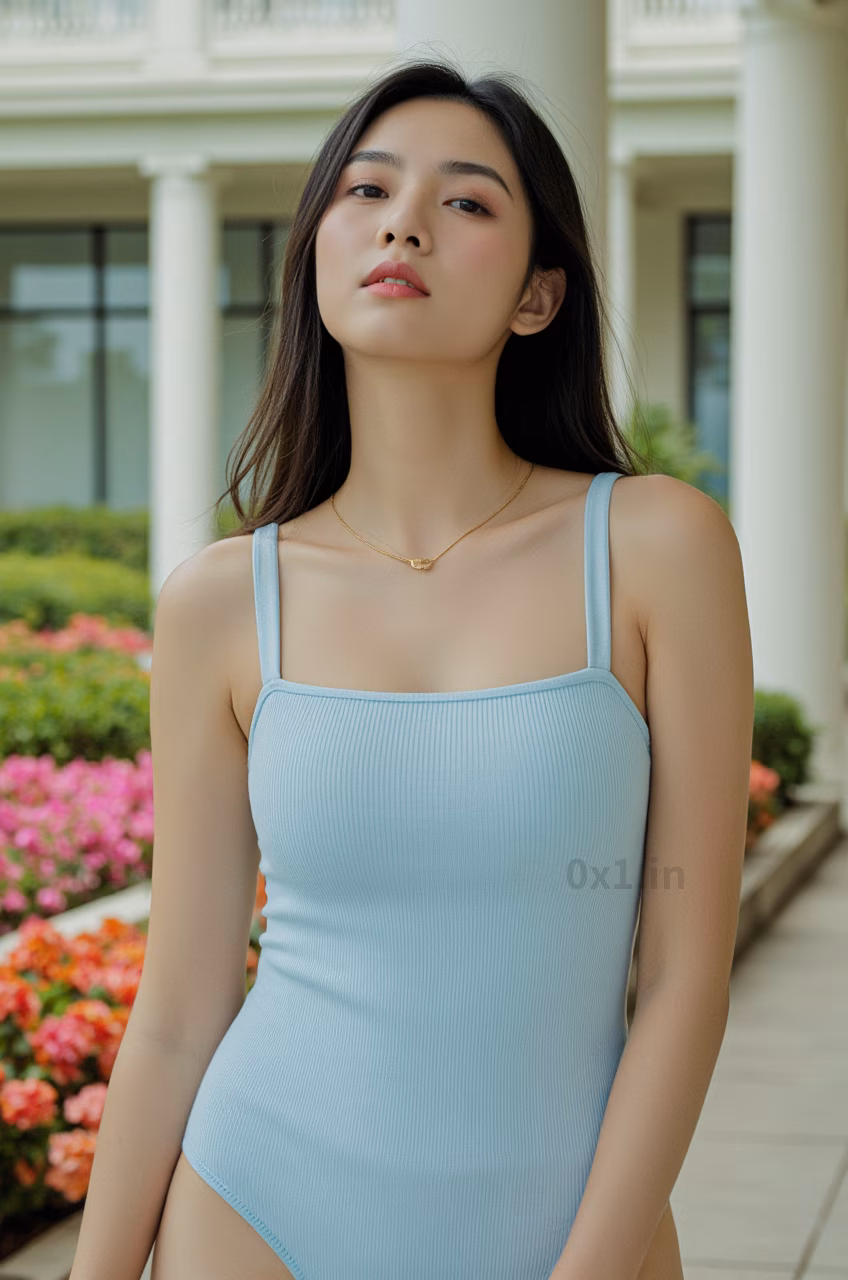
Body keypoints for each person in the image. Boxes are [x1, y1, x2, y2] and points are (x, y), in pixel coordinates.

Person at [69, 57, 754, 1280]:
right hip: (255, 1202)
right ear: (318, 257)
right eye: (366, 189)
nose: (402, 221)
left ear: (538, 297)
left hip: (571, 1231)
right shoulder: (225, 601)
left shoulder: (655, 547)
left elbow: (684, 977)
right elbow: (177, 1010)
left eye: (468, 201)